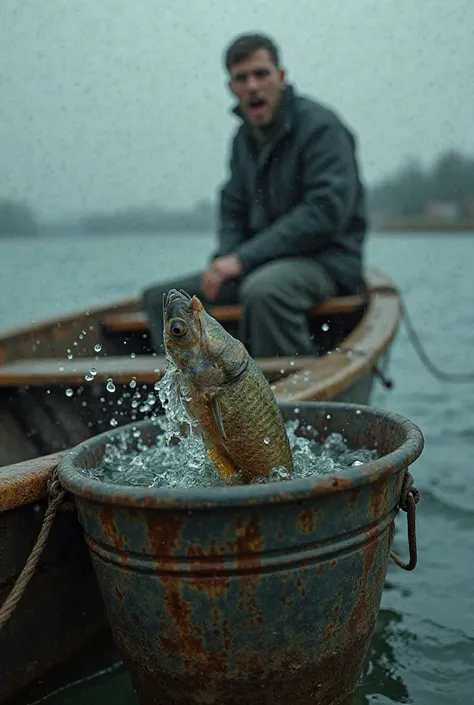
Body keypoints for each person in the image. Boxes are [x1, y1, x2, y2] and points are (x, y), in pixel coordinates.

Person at [142, 32, 368, 358]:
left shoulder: (322, 128)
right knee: (164, 302)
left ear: (281, 76)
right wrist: (225, 258)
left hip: (327, 262)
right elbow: (233, 209)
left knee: (264, 292)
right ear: (231, 88)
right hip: (261, 262)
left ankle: (289, 396)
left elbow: (325, 213)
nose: (252, 86)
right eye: (241, 78)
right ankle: (197, 396)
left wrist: (243, 259)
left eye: (261, 74)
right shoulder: (241, 140)